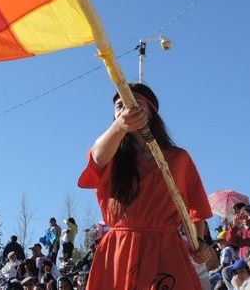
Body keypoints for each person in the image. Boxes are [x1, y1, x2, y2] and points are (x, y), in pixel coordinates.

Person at [77, 83, 214, 290]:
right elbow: (97, 156)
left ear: (151, 112)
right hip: (119, 249)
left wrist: (200, 243)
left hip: (166, 248)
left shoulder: (178, 158)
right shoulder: (112, 154)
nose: (126, 109)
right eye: (119, 106)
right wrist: (119, 127)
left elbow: (196, 208)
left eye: (134, 103)